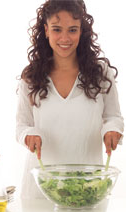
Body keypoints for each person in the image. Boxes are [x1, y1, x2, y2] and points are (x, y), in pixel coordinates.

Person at [16, 0, 124, 199]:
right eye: (57, 29)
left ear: (81, 31)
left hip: (88, 189)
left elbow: (113, 117)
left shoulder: (101, 74)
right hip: (40, 190)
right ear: (46, 30)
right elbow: (22, 125)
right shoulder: (31, 78)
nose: (64, 38)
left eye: (72, 30)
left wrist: (112, 130)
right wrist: (29, 135)